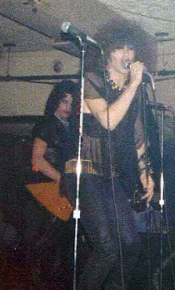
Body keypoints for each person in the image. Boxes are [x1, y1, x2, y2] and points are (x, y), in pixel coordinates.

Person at [63, 17, 157, 290]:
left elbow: (138, 136)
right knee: (105, 247)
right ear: (107, 52)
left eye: (131, 48)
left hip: (111, 175)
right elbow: (108, 120)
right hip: (84, 171)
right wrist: (133, 84)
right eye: (120, 48)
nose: (127, 55)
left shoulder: (133, 91)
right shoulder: (92, 80)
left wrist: (145, 173)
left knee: (130, 244)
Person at [23, 79, 79, 287]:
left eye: (72, 103)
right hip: (46, 189)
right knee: (47, 247)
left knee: (62, 249)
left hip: (62, 191)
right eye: (64, 102)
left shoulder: (72, 128)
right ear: (55, 101)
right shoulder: (48, 123)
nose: (67, 108)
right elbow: (37, 159)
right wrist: (64, 180)